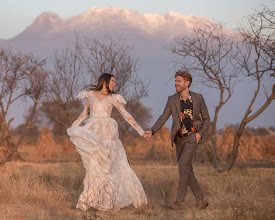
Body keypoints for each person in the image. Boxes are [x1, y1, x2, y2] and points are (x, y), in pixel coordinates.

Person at [67, 73, 148, 211]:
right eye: (112, 81)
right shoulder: (90, 95)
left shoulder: (113, 98)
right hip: (94, 134)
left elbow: (126, 115)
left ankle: (107, 202)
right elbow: (85, 113)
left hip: (109, 137)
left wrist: (141, 131)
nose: (114, 84)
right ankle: (88, 200)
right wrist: (74, 126)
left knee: (108, 169)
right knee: (93, 168)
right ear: (104, 81)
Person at [144, 70, 210, 210]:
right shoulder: (172, 99)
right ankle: (201, 200)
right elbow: (163, 116)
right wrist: (152, 130)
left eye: (179, 81)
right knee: (187, 169)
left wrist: (200, 134)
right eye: (175, 81)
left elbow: (206, 119)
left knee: (183, 167)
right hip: (179, 139)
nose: (176, 83)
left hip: (192, 138)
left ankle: (179, 202)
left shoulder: (198, 98)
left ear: (187, 83)